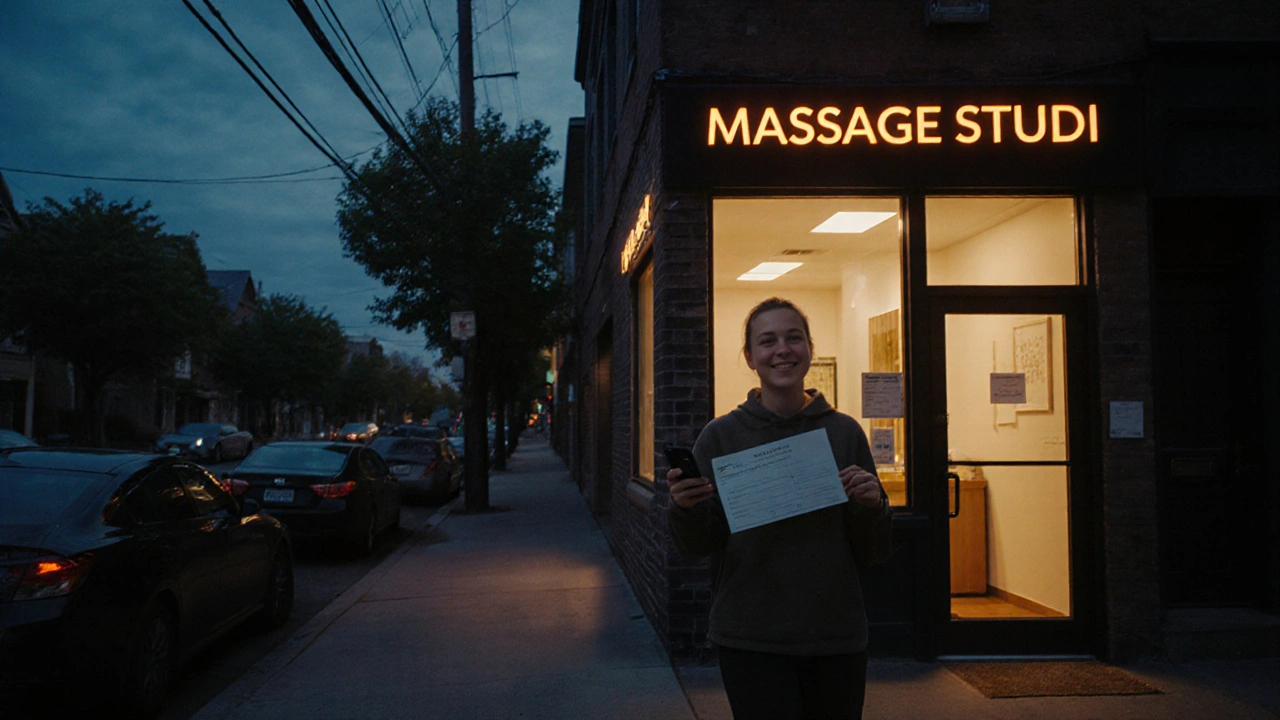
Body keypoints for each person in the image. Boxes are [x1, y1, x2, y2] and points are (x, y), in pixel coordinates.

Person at [667, 297, 893, 720]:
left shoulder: (844, 432)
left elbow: (874, 551)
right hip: (751, 637)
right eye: (767, 341)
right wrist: (685, 509)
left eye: (794, 338)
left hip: (835, 636)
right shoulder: (720, 437)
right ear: (750, 357)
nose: (782, 350)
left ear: (810, 348)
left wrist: (871, 506)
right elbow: (699, 545)